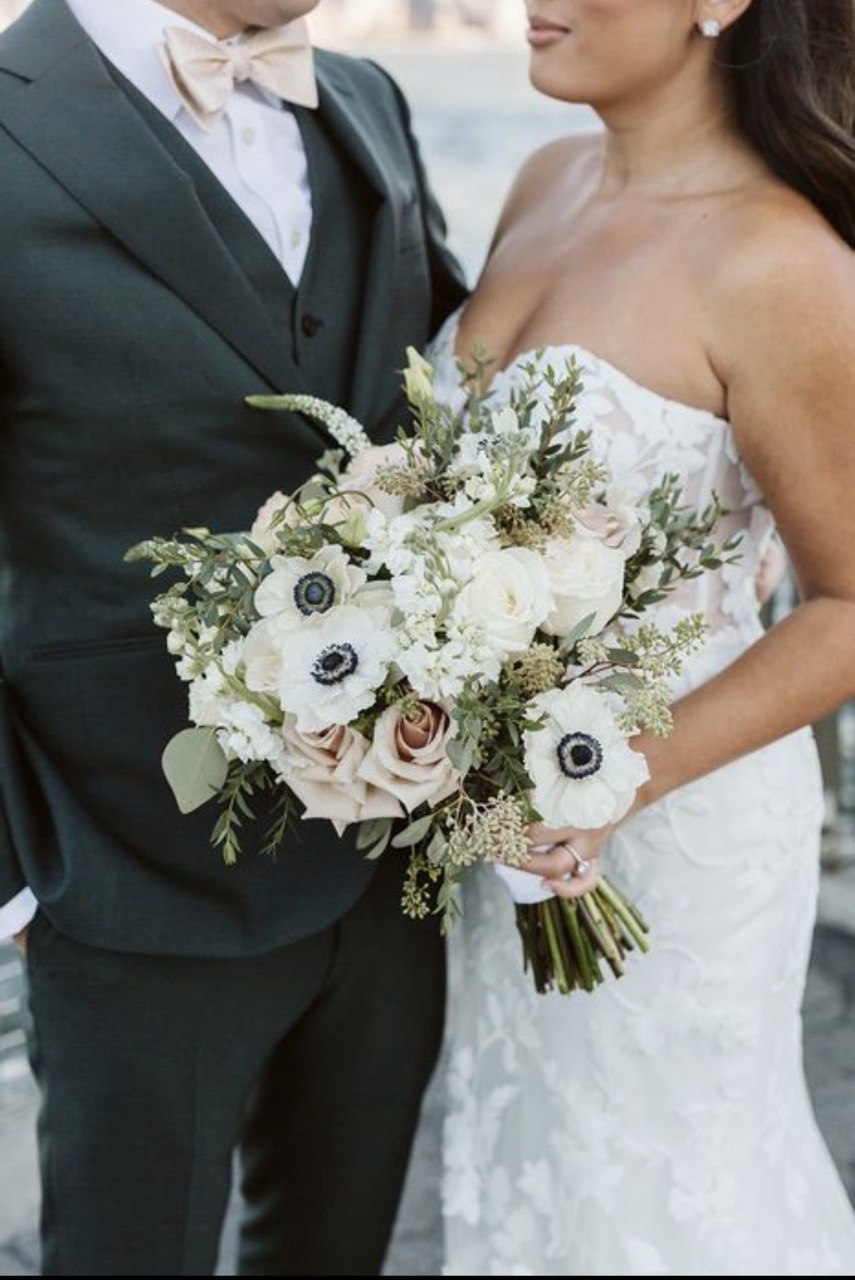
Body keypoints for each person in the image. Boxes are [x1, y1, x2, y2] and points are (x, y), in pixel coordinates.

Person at [0, 0, 466, 1273]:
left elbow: (453, 381)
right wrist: (21, 881)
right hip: (123, 877)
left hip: (385, 865)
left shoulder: (365, 102)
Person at [429, 0, 855, 1273]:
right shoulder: (543, 180)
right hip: (508, 830)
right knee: (532, 1168)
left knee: (664, 1195)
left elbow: (847, 604)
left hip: (675, 825)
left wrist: (612, 777)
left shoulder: (781, 263)